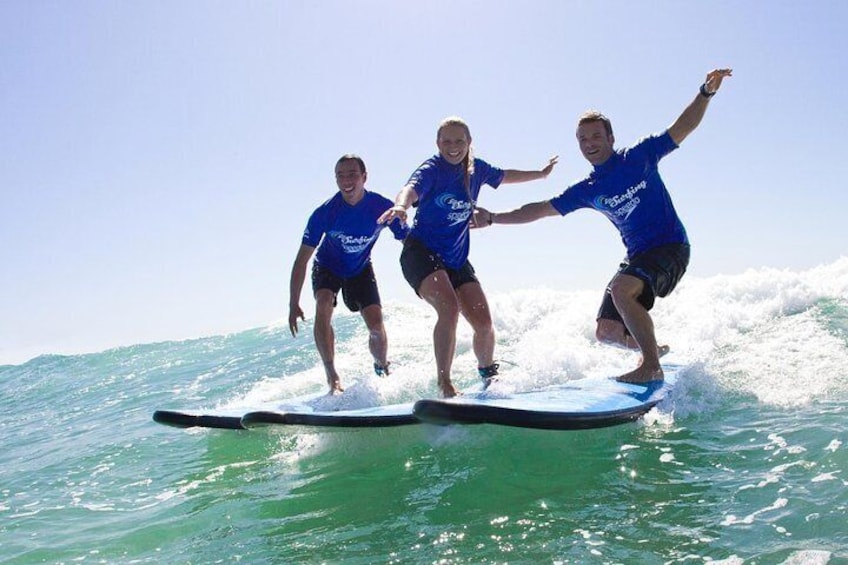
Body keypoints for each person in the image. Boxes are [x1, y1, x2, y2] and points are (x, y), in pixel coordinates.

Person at [475, 69, 733, 384]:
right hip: (638, 257)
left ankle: (650, 366)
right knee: (607, 332)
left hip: (671, 247)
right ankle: (654, 349)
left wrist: (706, 92)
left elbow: (684, 126)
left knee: (623, 291)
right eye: (583, 139)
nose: (590, 143)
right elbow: (539, 210)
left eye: (597, 136)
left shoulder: (640, 156)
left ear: (611, 138)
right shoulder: (587, 188)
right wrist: (492, 218)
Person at [378, 116, 558, 397]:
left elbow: (506, 175)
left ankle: (489, 377)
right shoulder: (431, 169)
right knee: (448, 309)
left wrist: (540, 174)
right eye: (446, 141)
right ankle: (444, 384)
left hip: (456, 258)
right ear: (438, 144)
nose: (453, 147)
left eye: (459, 141)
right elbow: (410, 189)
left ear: (469, 143)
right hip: (421, 252)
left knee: (484, 324)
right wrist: (401, 206)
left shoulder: (477, 169)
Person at [289, 154, 409, 394]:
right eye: (340, 175)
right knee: (323, 304)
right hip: (327, 267)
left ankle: (381, 365)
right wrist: (293, 302)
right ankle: (331, 375)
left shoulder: (381, 207)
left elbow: (409, 240)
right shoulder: (325, 213)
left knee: (376, 324)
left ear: (364, 177)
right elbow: (302, 259)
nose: (346, 180)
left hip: (361, 269)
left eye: (352, 174)